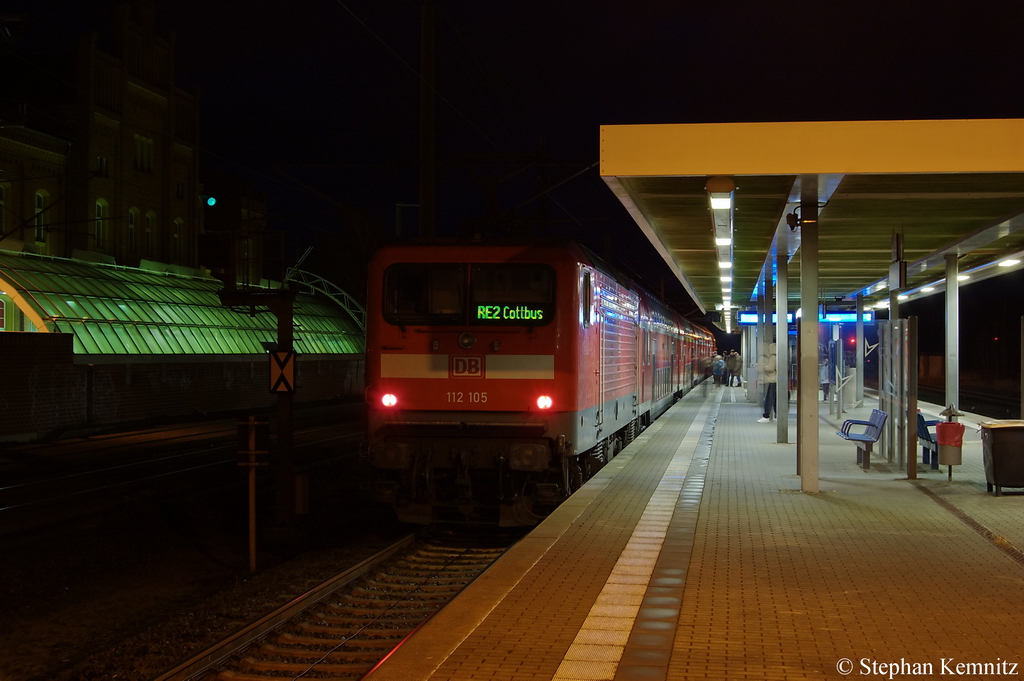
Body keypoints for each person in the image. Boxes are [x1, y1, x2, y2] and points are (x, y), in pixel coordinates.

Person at [756, 343, 777, 422]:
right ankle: (776, 415)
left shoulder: (773, 357)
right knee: (774, 399)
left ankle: (766, 416)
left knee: (769, 398)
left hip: (771, 379)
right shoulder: (777, 357)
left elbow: (771, 368)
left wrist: (764, 366)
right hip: (775, 379)